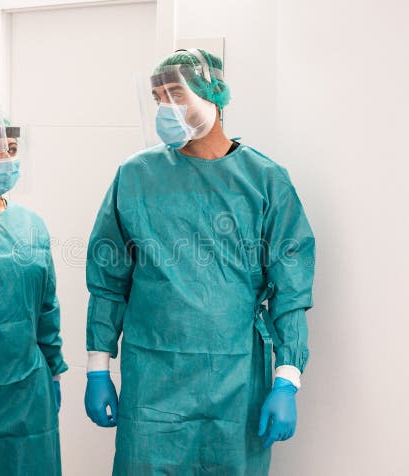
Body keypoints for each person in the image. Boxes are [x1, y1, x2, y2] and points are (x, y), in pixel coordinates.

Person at [84, 49, 315, 475]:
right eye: (157, 98)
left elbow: (291, 289)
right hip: (153, 380)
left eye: (175, 94)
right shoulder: (136, 176)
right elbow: (108, 282)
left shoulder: (265, 181)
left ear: (214, 96)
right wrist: (98, 367)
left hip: (235, 380)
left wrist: (287, 379)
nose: (165, 109)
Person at [0, 109, 68, 476]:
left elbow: (46, 306)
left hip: (29, 393)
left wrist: (54, 370)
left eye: (11, 149)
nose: (5, 160)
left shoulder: (31, 226)